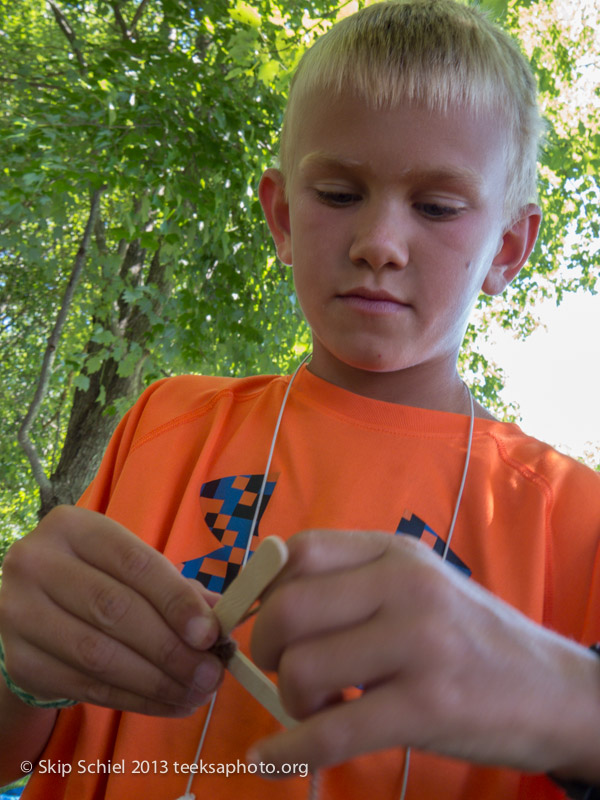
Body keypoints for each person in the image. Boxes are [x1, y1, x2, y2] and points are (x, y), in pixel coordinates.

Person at [0, 1, 599, 799]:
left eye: (438, 208)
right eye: (339, 194)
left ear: (509, 249)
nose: (380, 242)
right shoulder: (167, 426)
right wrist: (22, 668)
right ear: (281, 216)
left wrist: (568, 704)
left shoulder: (570, 519)